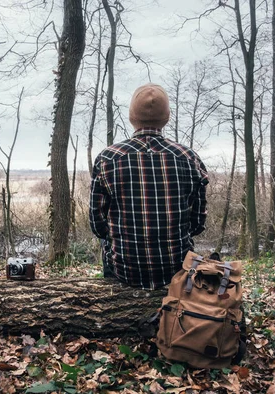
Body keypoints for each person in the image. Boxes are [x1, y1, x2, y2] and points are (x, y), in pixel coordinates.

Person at [89, 83, 209, 290]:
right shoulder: (189, 158)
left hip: (123, 269)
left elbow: (97, 224)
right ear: (167, 118)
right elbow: (197, 224)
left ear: (131, 117)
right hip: (176, 268)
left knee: (108, 240)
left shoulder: (107, 158)